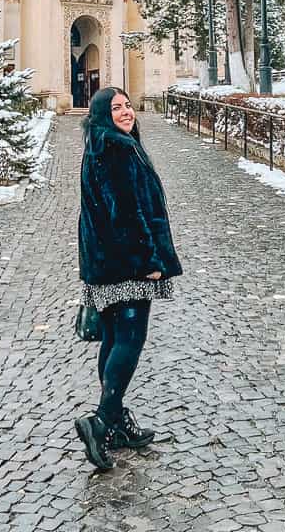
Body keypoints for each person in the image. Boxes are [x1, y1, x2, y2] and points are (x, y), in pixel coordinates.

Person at [75, 87, 183, 470]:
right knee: (130, 338)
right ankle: (102, 419)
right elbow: (126, 211)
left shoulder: (100, 144)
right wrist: (148, 259)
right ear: (103, 113)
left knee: (112, 337)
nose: (126, 112)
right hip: (127, 262)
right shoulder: (118, 149)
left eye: (127, 105)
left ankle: (116, 420)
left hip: (105, 261)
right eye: (116, 107)